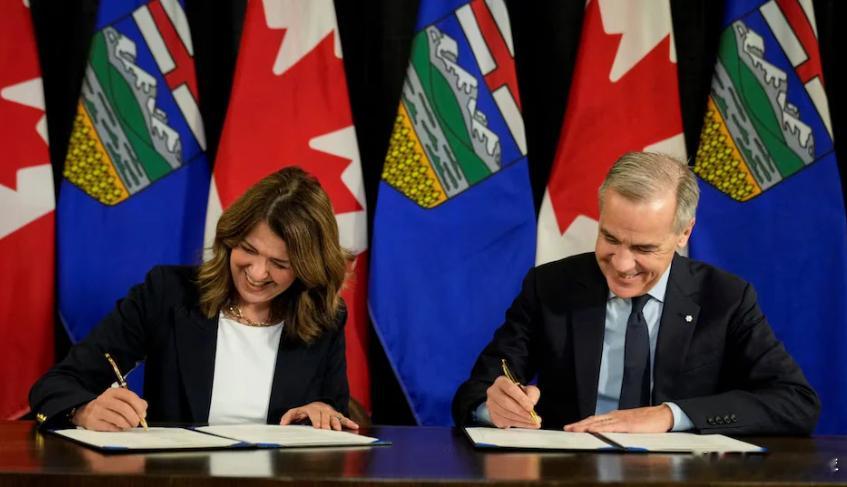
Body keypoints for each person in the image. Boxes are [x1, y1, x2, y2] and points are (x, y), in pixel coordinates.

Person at [452, 152, 820, 435]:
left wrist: (670, 416)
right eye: (610, 238)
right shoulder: (551, 286)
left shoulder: (726, 298)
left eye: (644, 248)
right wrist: (494, 408)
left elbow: (796, 401)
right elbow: (475, 392)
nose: (622, 264)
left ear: (684, 233)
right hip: (570, 475)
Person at [31, 167, 358, 432]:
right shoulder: (167, 293)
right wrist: (84, 410)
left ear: (306, 269)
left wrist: (322, 412)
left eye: (280, 264)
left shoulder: (325, 316)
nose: (258, 273)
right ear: (230, 238)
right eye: (248, 249)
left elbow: (335, 413)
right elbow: (58, 384)